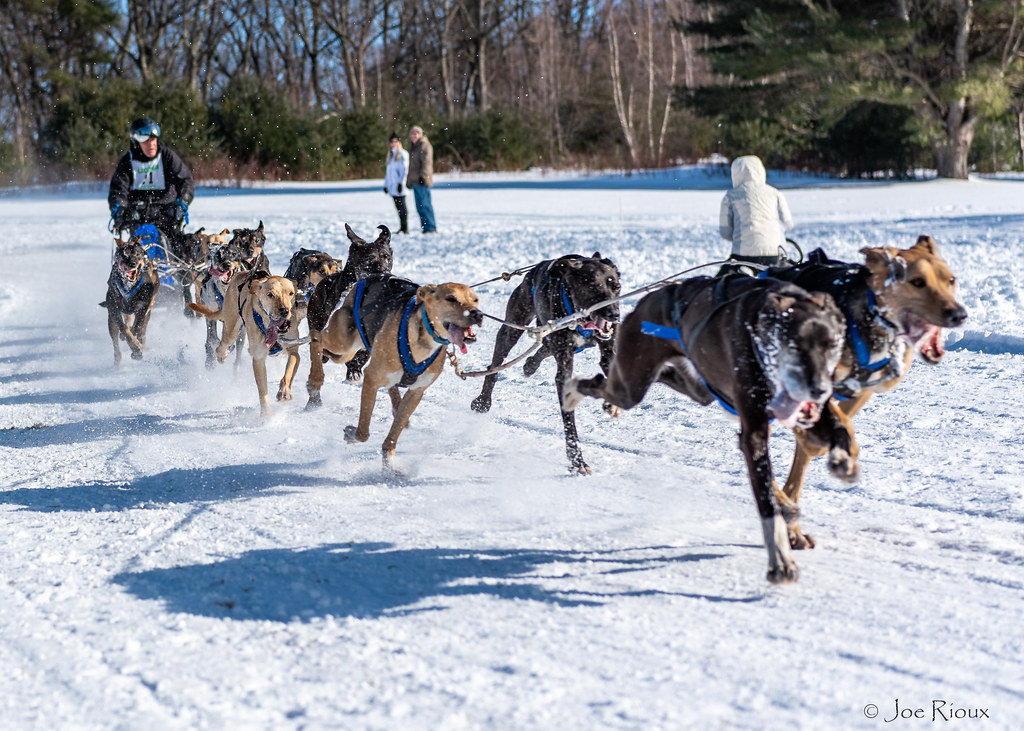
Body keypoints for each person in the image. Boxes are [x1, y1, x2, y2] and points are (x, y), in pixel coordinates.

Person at [108, 116, 195, 254]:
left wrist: (182, 203)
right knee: (135, 253)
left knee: (180, 250)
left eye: (153, 140)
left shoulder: (167, 156)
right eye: (146, 141)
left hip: (166, 212)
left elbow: (185, 181)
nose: (151, 144)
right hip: (137, 214)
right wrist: (119, 211)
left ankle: (181, 273)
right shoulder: (127, 161)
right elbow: (118, 191)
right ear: (136, 142)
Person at [718, 155, 793, 275]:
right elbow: (788, 225)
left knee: (718, 285)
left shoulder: (730, 196)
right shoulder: (775, 193)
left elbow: (725, 232)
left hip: (743, 257)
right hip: (775, 255)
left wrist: (743, 235)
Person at [407, 125, 437, 233]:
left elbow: (427, 163)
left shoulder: (424, 145)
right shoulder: (413, 146)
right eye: (412, 134)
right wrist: (409, 181)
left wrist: (424, 177)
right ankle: (425, 227)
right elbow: (411, 166)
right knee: (419, 206)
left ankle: (431, 227)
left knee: (425, 205)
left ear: (420, 134)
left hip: (422, 181)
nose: (414, 136)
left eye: (416, 133)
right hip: (415, 181)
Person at [383, 132, 409, 234]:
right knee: (398, 207)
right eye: (392, 141)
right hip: (392, 186)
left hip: (399, 186)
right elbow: (388, 172)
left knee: (402, 207)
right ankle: (401, 227)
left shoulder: (403, 154)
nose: (394, 143)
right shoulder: (390, 155)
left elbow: (404, 170)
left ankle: (405, 226)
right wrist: (385, 185)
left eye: (395, 141)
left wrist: (401, 183)